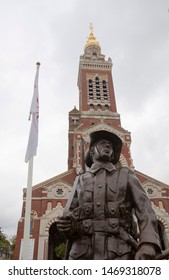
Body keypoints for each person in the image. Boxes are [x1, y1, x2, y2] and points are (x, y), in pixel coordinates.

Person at [57, 130, 161, 260]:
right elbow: (69, 215)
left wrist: (148, 243)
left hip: (119, 252)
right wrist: (68, 226)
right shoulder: (80, 180)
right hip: (82, 254)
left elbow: (145, 211)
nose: (107, 146)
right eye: (102, 143)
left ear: (112, 155)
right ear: (92, 152)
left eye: (110, 146)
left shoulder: (126, 175)